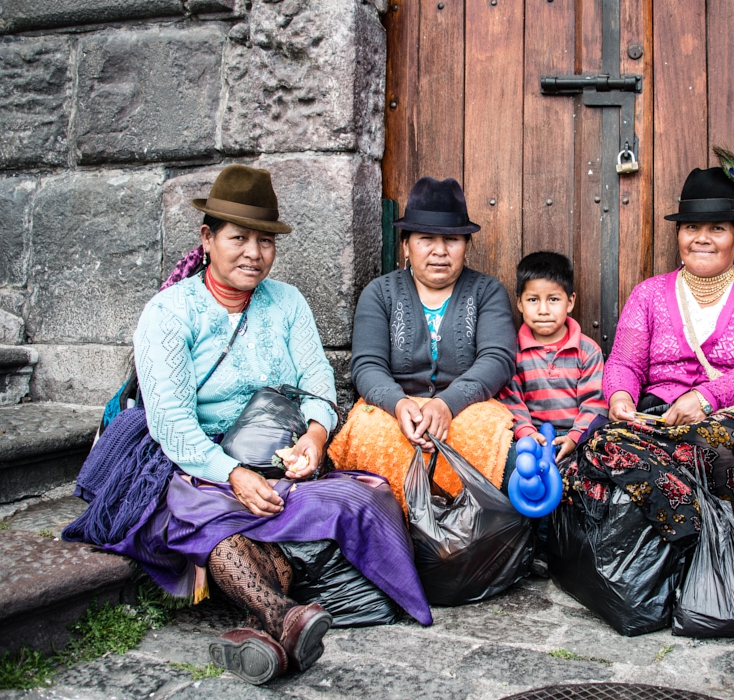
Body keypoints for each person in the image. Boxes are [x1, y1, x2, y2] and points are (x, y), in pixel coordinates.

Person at [64, 165, 432, 685]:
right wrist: (232, 473)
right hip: (195, 458)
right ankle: (284, 617)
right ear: (207, 239)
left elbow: (318, 384)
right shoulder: (170, 314)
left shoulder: (288, 303)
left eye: (265, 241)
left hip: (280, 455)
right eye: (238, 238)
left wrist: (315, 436)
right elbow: (171, 422)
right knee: (209, 512)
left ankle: (263, 626)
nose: (253, 254)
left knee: (363, 498)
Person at [578, 156, 734, 613]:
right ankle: (694, 545)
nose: (701, 237)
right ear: (678, 237)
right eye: (691, 228)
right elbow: (623, 361)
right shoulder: (651, 294)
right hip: (660, 415)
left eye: (717, 228)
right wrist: (619, 394)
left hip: (733, 419)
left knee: (717, 445)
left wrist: (705, 396)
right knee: (597, 444)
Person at [330, 176, 517, 510]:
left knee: (491, 439)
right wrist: (399, 404)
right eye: (426, 239)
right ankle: (388, 538)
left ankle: (462, 545)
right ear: (405, 245)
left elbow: (498, 358)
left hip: (466, 407)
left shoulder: (487, 291)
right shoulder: (380, 293)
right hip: (392, 408)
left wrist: (447, 404)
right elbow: (367, 365)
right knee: (370, 435)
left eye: (452, 240)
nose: (440, 251)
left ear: (466, 246)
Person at [497, 252, 607, 464]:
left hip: (577, 439)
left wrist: (576, 437)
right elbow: (511, 402)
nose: (543, 310)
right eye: (533, 300)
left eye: (554, 299)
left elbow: (594, 403)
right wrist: (527, 433)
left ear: (570, 301)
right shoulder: (513, 351)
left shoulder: (587, 351)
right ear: (519, 303)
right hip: (530, 440)